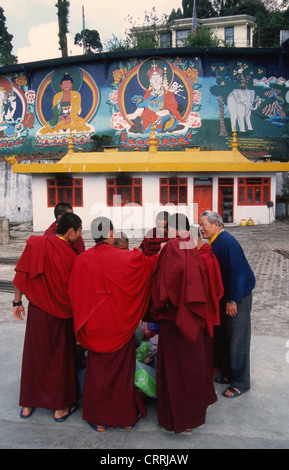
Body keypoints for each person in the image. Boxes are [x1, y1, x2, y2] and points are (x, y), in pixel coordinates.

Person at [69, 216, 158, 432]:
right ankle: (125, 418)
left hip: (94, 327)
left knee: (98, 372)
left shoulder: (82, 260)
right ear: (110, 233)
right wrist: (167, 248)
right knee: (122, 372)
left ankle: (99, 420)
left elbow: (74, 293)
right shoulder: (127, 258)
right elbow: (151, 264)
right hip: (120, 323)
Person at [150, 213, 217, 434]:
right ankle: (197, 417)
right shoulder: (194, 247)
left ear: (172, 229)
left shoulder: (172, 247)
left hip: (173, 319)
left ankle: (179, 420)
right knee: (193, 366)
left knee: (175, 370)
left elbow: (165, 286)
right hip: (194, 317)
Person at [13, 212, 83, 421]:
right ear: (70, 232)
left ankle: (27, 405)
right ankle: (59, 409)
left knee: (34, 356)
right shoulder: (70, 256)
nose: (79, 237)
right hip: (61, 315)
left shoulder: (36, 244)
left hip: (37, 313)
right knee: (59, 359)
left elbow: (20, 275)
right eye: (79, 232)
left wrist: (17, 303)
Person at [199, 210, 255, 398]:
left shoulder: (228, 242)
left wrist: (233, 300)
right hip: (226, 296)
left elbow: (238, 273)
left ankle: (241, 382)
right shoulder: (214, 242)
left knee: (238, 339)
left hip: (238, 296)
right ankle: (229, 373)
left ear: (217, 225)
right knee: (226, 337)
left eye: (203, 225)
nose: (200, 229)